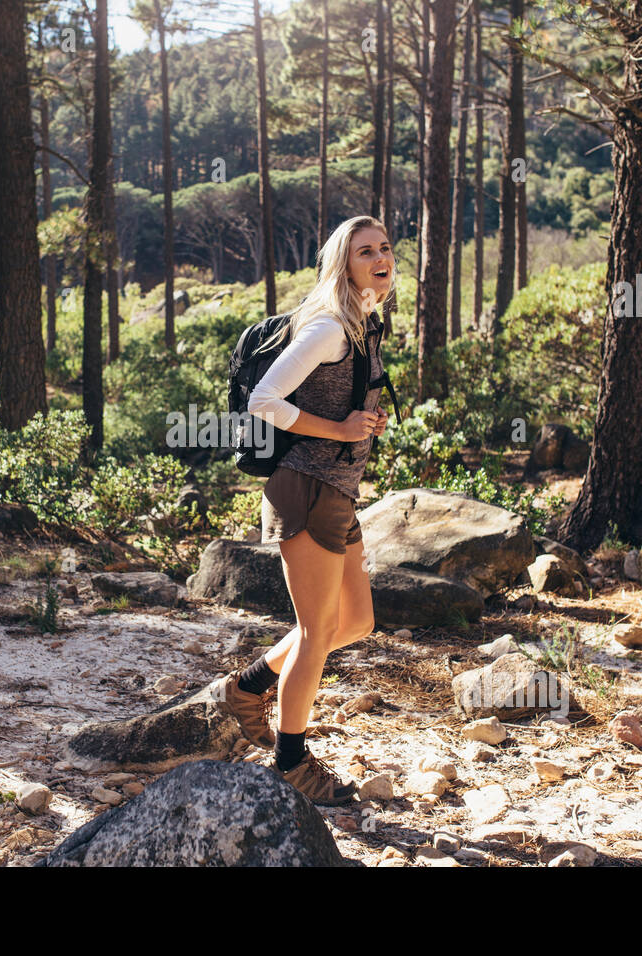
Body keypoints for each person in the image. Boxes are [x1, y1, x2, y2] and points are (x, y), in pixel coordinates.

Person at [213, 215, 392, 806]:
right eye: (365, 250)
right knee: (317, 633)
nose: (380, 257)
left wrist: (358, 421)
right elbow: (265, 399)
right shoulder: (330, 329)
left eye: (385, 247)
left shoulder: (367, 325)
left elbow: (341, 401)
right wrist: (337, 425)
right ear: (344, 265)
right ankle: (290, 761)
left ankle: (250, 687)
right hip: (307, 488)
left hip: (338, 490)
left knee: (356, 622)